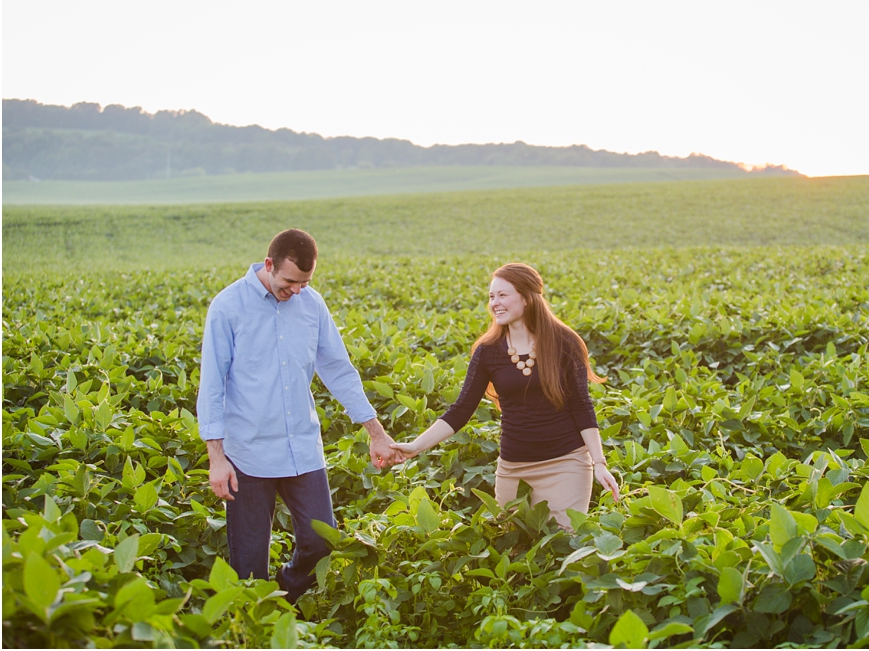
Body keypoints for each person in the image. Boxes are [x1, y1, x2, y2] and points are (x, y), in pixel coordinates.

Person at [197, 228, 396, 604]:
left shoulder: (311, 303)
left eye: (306, 282)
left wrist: (375, 431)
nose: (297, 291)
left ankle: (285, 596)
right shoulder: (228, 307)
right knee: (248, 567)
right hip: (248, 455)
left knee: (321, 540)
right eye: (290, 281)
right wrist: (217, 458)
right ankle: (259, 630)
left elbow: (338, 369)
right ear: (269, 264)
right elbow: (212, 386)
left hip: (302, 448)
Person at [390, 263, 619, 530]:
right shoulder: (488, 351)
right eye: (491, 297)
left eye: (502, 295)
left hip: (566, 464)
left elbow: (582, 407)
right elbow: (461, 410)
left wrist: (599, 463)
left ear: (526, 298)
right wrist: (415, 447)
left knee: (563, 543)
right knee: (514, 543)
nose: (494, 303)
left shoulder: (565, 342)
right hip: (513, 468)